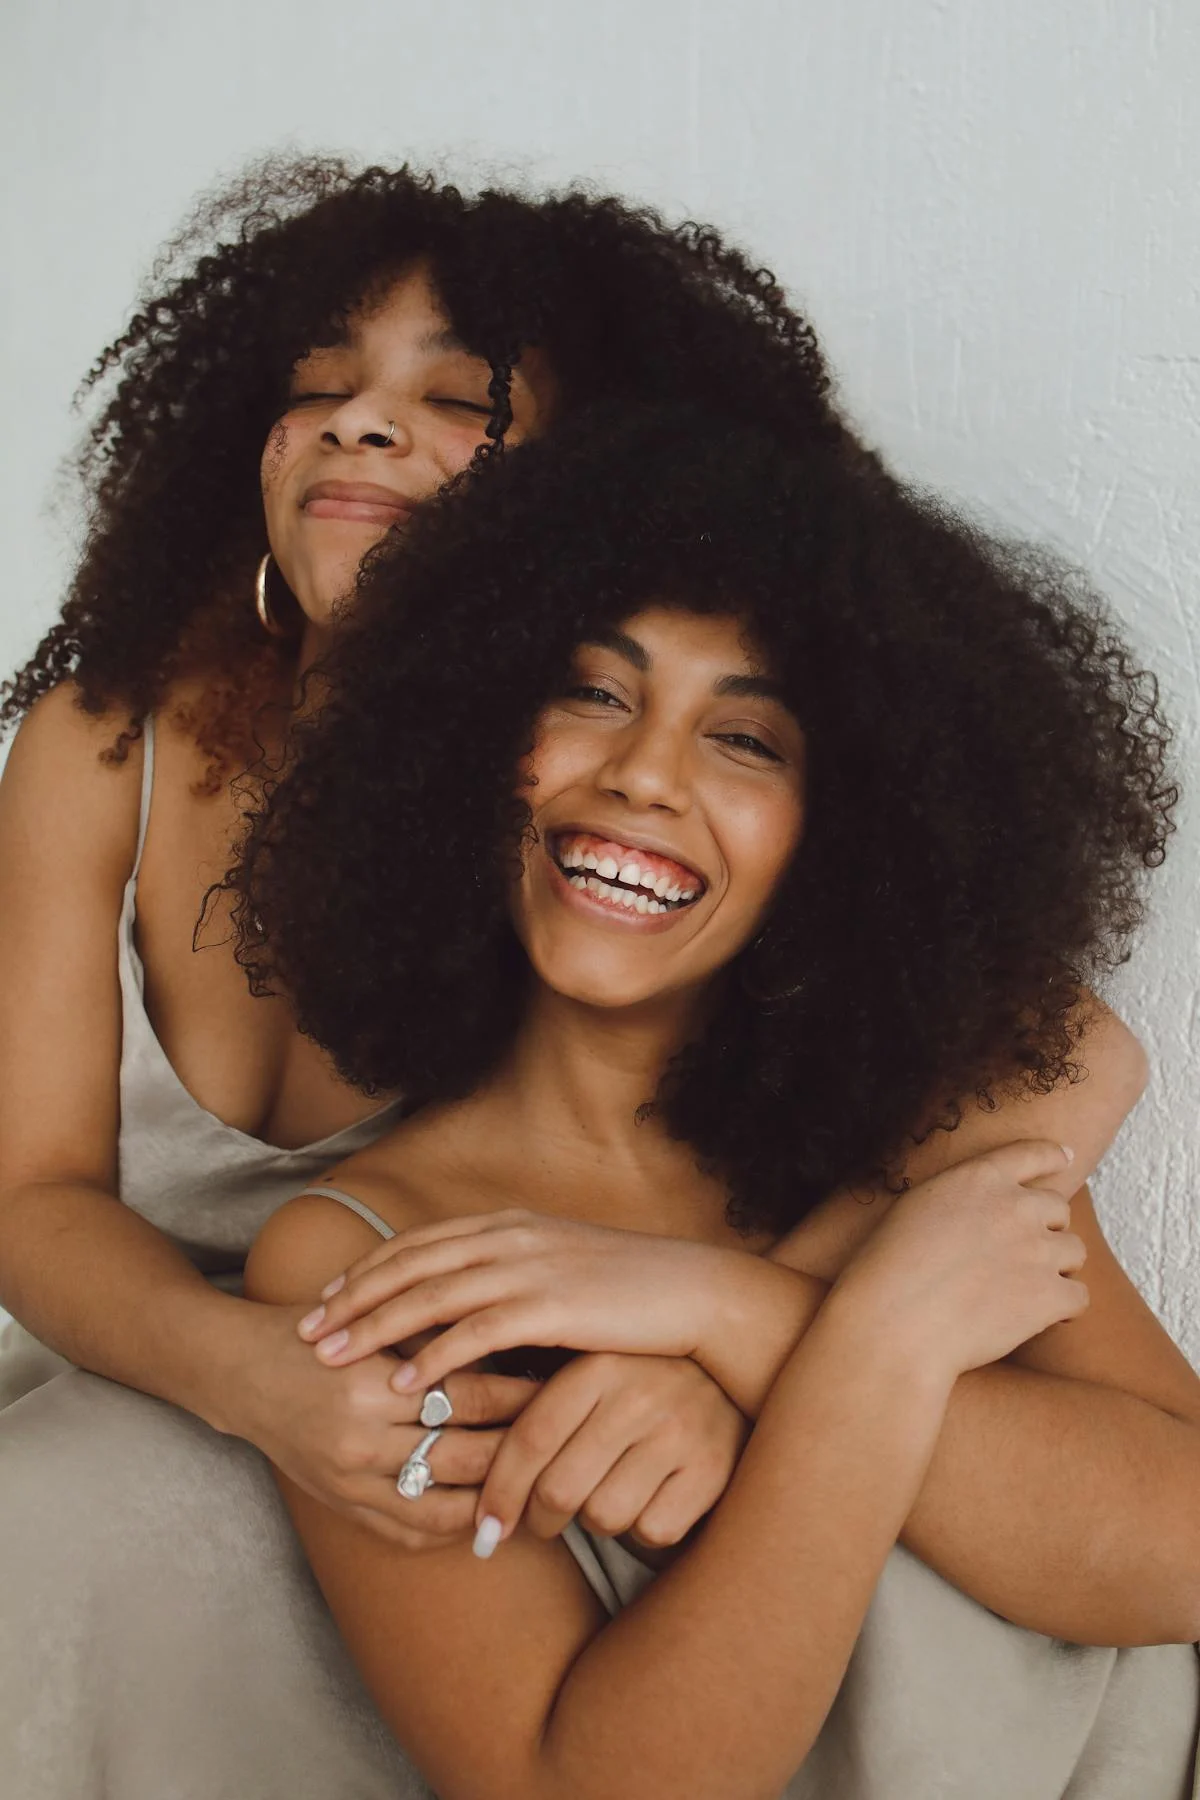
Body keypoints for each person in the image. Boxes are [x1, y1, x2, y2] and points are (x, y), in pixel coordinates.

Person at [0, 156, 1181, 1795]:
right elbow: (35, 1198)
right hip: (290, 1413)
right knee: (60, 1502)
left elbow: (1072, 1063)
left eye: (458, 400)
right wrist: (257, 1379)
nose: (361, 424)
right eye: (319, 384)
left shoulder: (837, 1071)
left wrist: (743, 1338)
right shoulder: (121, 750)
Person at [239, 405, 1198, 1799]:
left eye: (746, 740)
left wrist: (737, 1324)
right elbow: (579, 1788)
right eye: (592, 692)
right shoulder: (365, 1263)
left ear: (847, 836)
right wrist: (872, 1350)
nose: (644, 773)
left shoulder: (919, 1129)